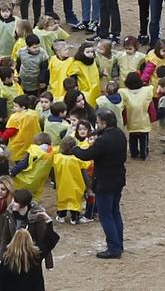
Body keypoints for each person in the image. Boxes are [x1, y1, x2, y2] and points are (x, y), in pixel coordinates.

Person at [62, 109, 126, 259]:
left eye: (98, 122)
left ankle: (114, 248)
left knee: (106, 215)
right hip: (118, 178)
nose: (97, 124)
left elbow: (86, 155)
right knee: (115, 212)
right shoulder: (119, 134)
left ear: (104, 123)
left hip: (105, 180)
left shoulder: (104, 140)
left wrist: (75, 148)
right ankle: (118, 244)